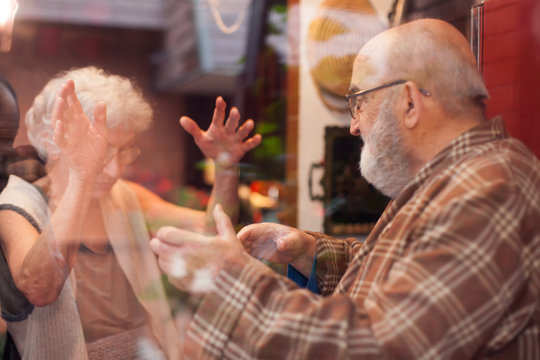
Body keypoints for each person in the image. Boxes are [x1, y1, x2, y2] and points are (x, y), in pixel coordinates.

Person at [150, 19, 540, 359]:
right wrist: (310, 252)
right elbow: (409, 279)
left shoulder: (489, 190)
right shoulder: (456, 179)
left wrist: (226, 277)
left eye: (358, 101)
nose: (353, 126)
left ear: (408, 102)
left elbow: (385, 348)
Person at [0, 66, 260, 359]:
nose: (114, 170)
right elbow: (40, 288)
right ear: (56, 139)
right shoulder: (17, 205)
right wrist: (81, 178)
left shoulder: (123, 197)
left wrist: (225, 167)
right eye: (102, 150)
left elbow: (214, 235)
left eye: (125, 151)